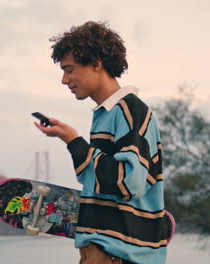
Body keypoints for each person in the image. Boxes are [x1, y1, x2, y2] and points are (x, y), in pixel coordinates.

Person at [35, 21, 167, 264]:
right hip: (102, 252)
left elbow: (130, 182)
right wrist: (70, 139)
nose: (65, 80)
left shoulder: (130, 111)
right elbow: (96, 179)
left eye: (70, 69)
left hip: (117, 255)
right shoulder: (106, 114)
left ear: (96, 63)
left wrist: (76, 141)